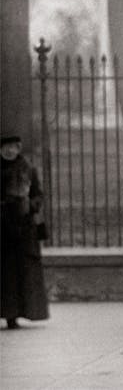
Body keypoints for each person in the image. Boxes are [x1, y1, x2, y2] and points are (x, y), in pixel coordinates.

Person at [1, 133, 49, 329]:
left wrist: (32, 205)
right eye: (5, 147)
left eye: (13, 146)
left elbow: (38, 194)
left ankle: (21, 312)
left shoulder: (28, 169)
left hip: (24, 228)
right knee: (5, 273)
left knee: (23, 272)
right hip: (3, 227)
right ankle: (7, 313)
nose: (9, 150)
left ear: (19, 148)